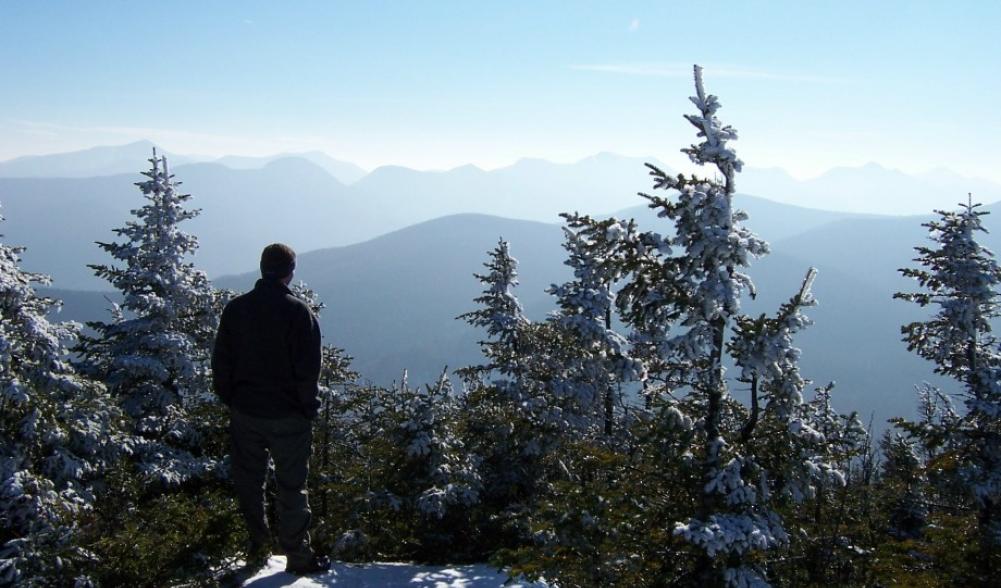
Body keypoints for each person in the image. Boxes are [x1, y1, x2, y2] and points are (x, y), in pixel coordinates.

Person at [212, 243, 330, 576]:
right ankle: (297, 555)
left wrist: (232, 400)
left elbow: (221, 362)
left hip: (246, 412)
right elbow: (308, 371)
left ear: (262, 268)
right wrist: (308, 408)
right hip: (289, 416)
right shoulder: (298, 313)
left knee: (249, 483)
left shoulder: (236, 310)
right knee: (292, 486)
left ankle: (257, 548)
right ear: (290, 271)